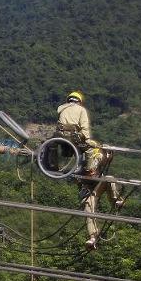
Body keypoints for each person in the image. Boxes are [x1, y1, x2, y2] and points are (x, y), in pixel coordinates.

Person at [56, 90, 121, 250]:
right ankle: (93, 237)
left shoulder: (62, 110)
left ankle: (115, 201)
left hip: (94, 183)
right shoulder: (81, 111)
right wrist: (87, 140)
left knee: (109, 179)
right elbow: (84, 130)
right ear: (79, 101)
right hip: (89, 188)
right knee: (89, 206)